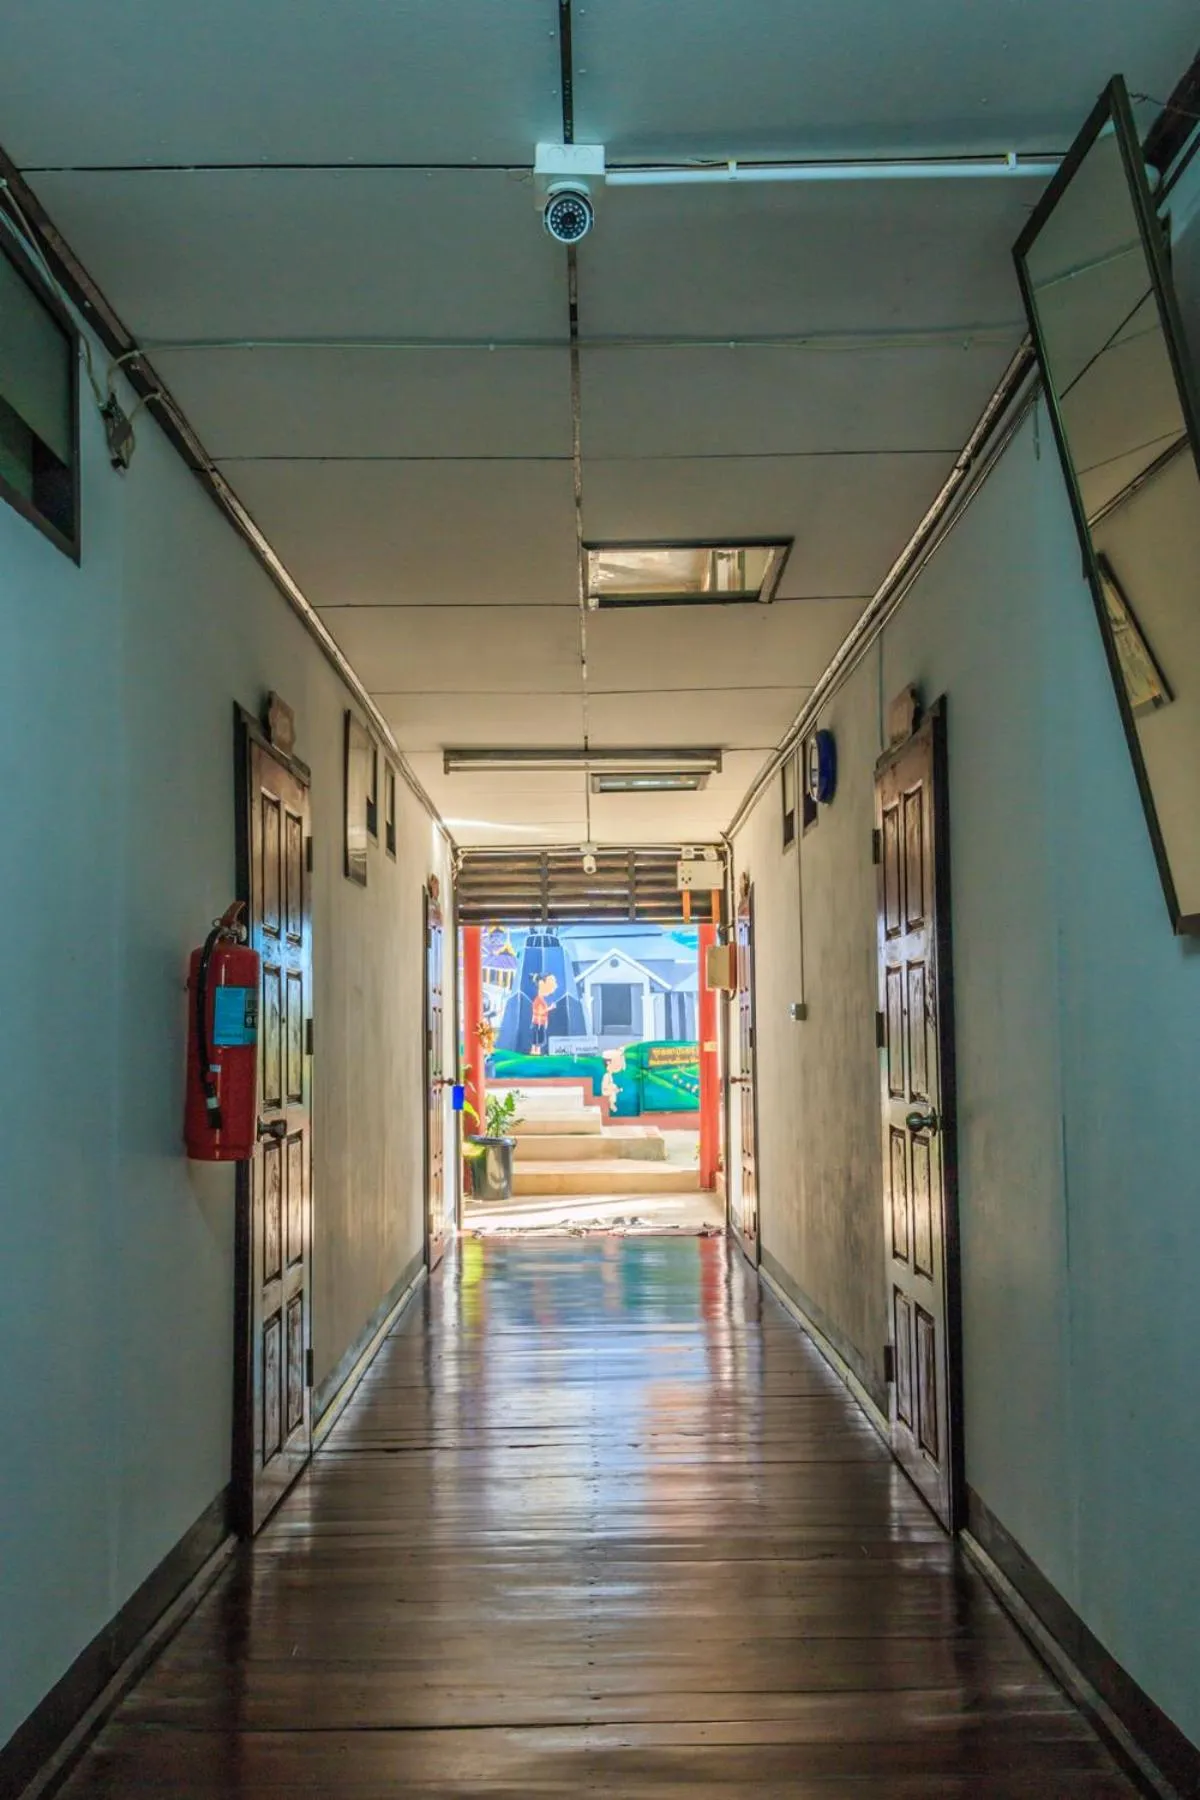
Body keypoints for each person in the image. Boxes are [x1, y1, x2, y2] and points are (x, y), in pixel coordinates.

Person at [529, 972, 557, 1054]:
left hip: (541, 1023)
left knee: (540, 1039)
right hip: (537, 1023)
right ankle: (534, 1052)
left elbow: (543, 1012)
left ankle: (537, 1052)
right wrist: (550, 1008)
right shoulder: (538, 1000)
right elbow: (539, 1011)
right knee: (536, 1039)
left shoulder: (542, 1000)